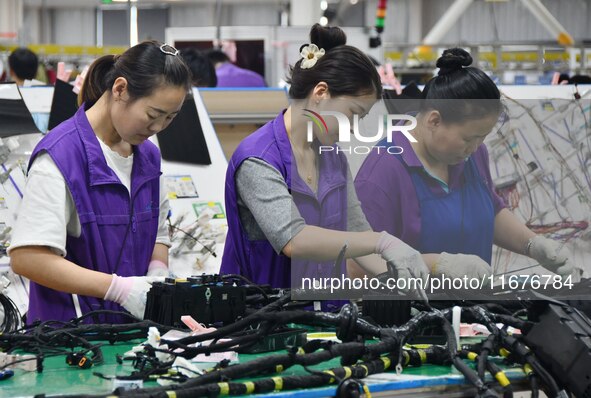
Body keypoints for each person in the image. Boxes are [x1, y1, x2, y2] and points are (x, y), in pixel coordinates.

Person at [220, 24, 430, 308]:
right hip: (264, 319)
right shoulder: (258, 158)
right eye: (353, 115)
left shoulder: (332, 156)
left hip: (327, 316)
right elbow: (293, 239)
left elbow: (357, 234)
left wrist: (398, 277)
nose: (352, 129)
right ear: (321, 92)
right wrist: (382, 242)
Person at [354, 48, 577, 282]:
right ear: (434, 120)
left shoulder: (472, 154)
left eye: (482, 137)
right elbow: (359, 268)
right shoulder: (382, 173)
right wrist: (437, 265)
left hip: (473, 310)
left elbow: (489, 210)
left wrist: (533, 244)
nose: (476, 147)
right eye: (469, 138)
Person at [9, 41, 191, 324]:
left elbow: (157, 234)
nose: (158, 128)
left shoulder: (148, 157)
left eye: (170, 118)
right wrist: (117, 289)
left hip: (132, 335)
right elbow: (28, 257)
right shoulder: (61, 155)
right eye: (153, 115)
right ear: (120, 89)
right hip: (70, 339)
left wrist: (157, 271)